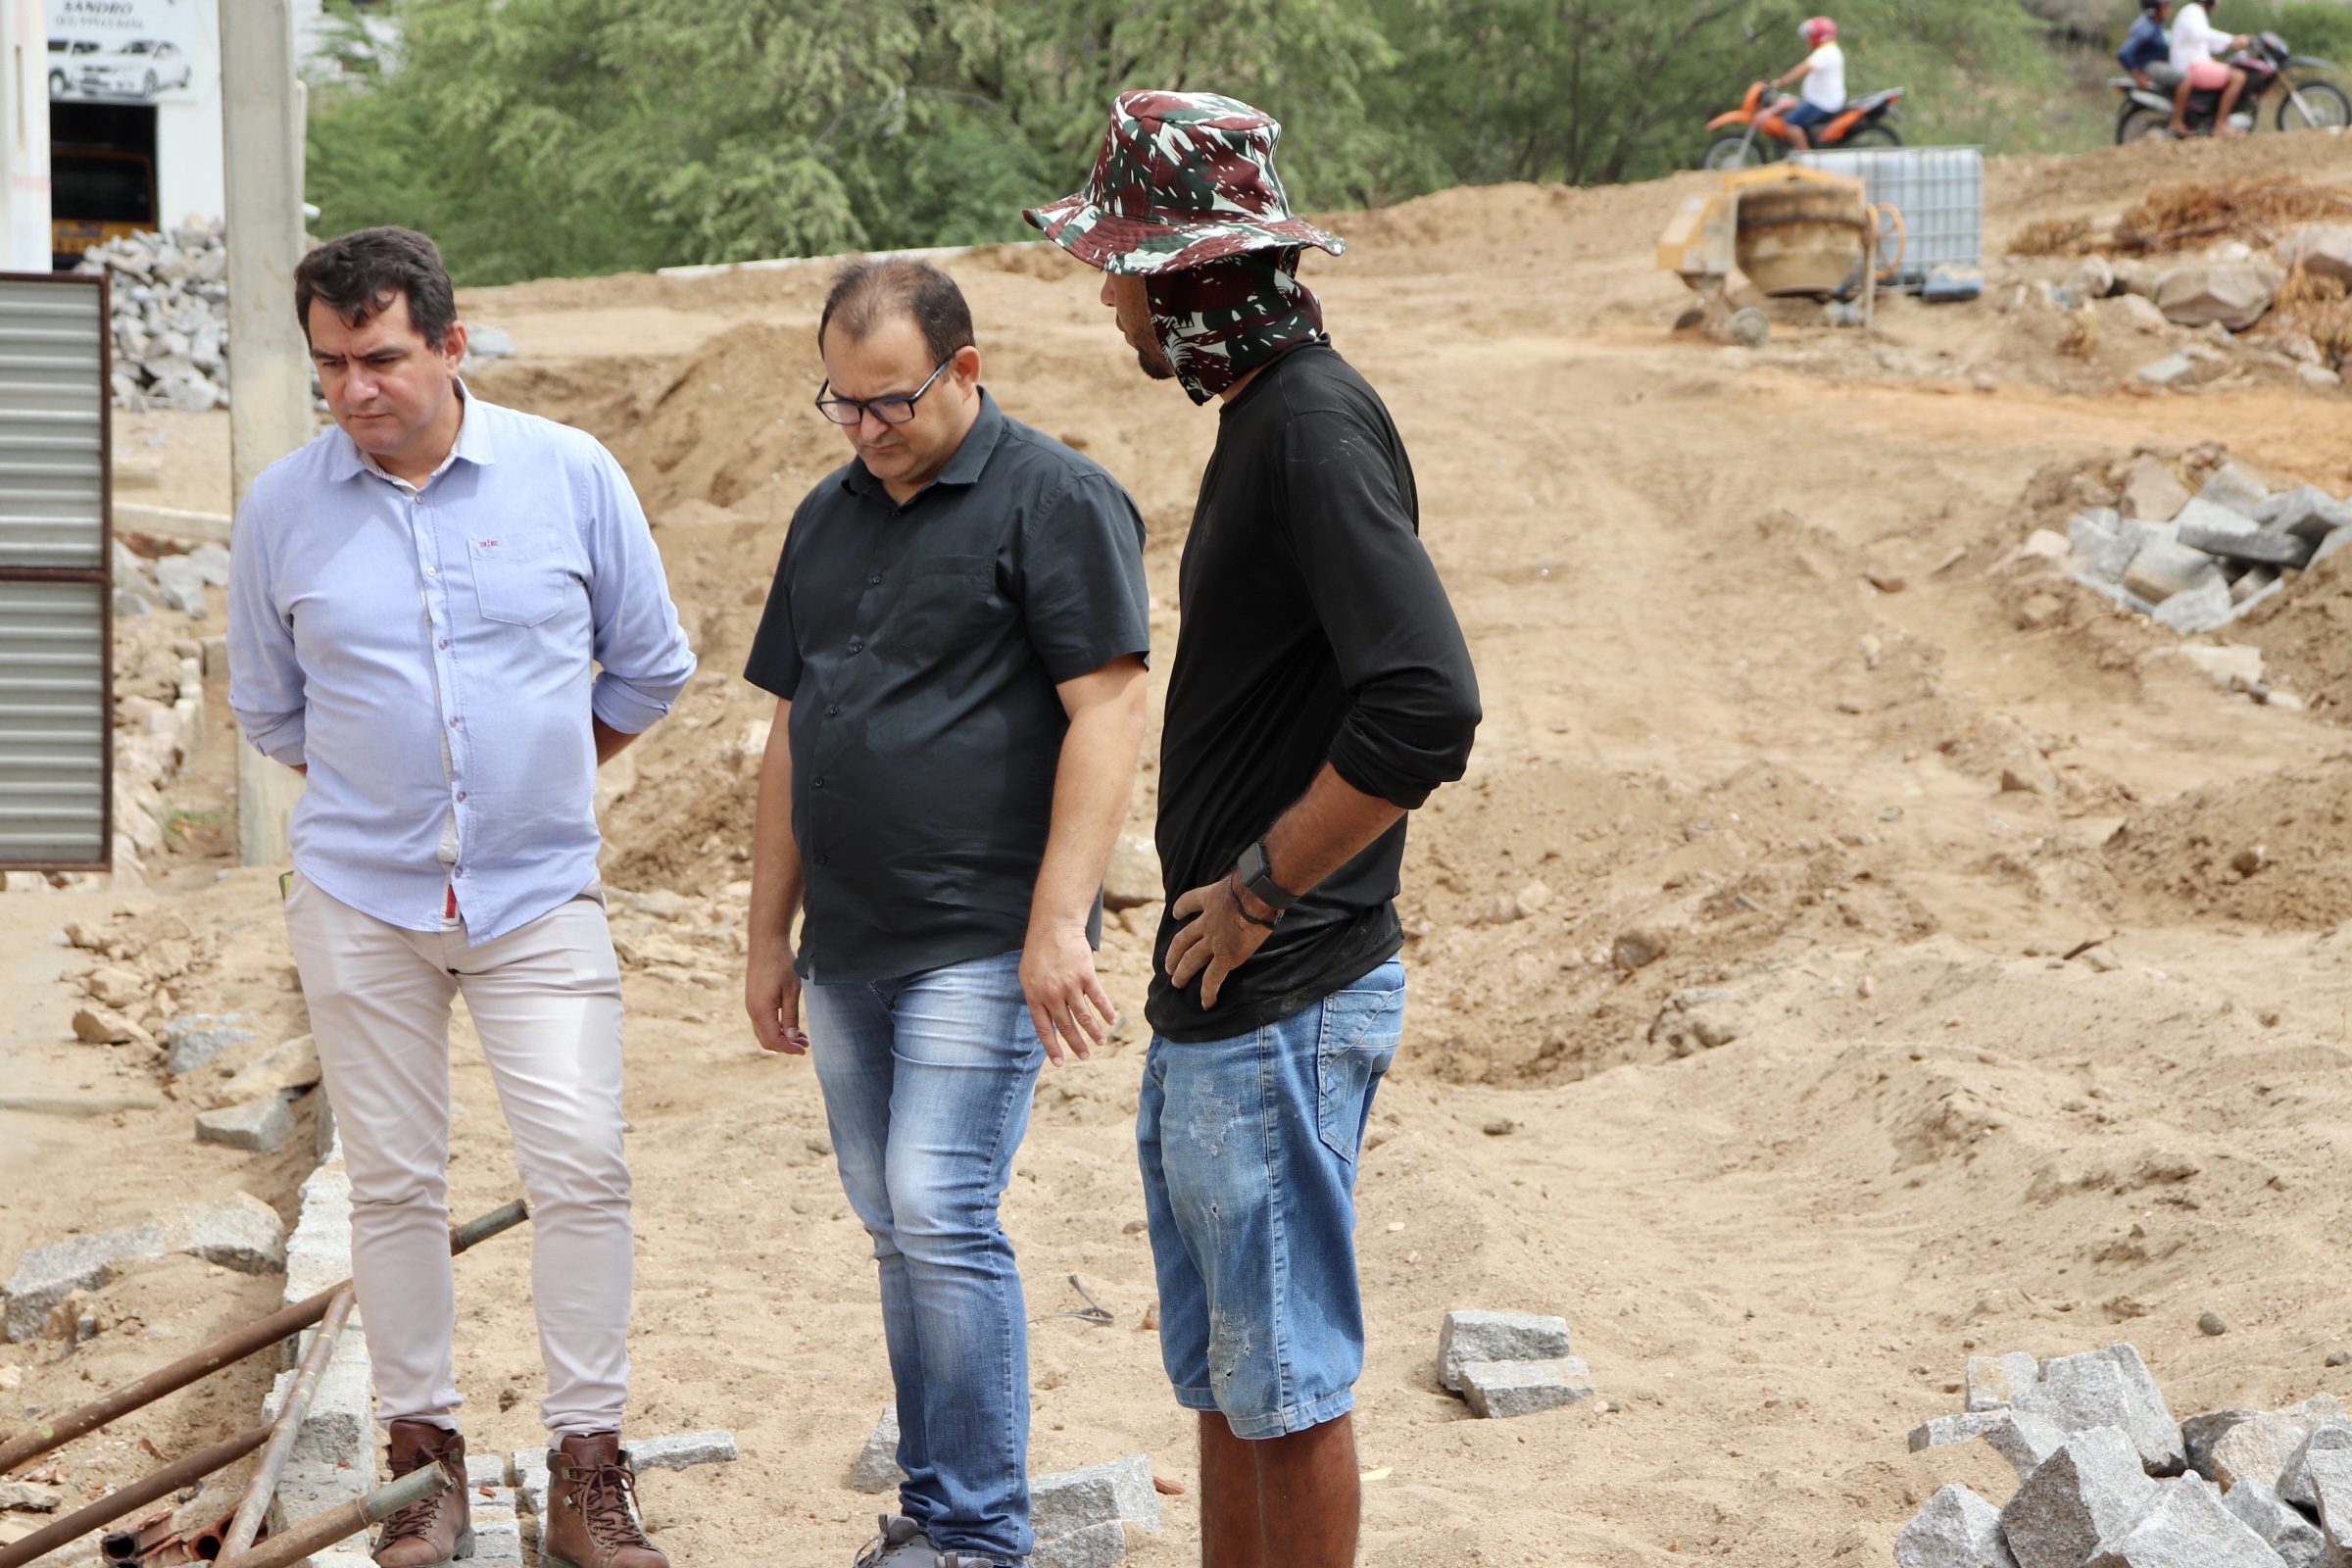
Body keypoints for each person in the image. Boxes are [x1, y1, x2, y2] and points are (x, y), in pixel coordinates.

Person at [1025, 92, 1481, 1568]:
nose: (1109, 302)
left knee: (1284, 1383)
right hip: (1229, 1005)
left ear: (1191, 278)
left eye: (1123, 270)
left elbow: (1427, 707)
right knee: (1231, 1381)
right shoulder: (1268, 420)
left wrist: (1264, 890)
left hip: (1283, 989)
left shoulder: (1310, 430)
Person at [227, 226, 693, 1568]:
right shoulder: (282, 509)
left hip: (538, 896)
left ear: (450, 343)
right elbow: (272, 708)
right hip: (361, 903)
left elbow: (649, 666)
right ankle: (424, 1467)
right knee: (392, 1185)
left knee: (583, 1167)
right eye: (331, 365)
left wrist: (529, 781)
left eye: (379, 357)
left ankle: (589, 1474)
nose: (355, 389)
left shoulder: (570, 474)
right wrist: (402, 800)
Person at [741, 259, 1151, 1568]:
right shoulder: (825, 516)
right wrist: (766, 935)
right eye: (841, 403)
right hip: (848, 944)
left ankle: (980, 1534)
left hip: (982, 935)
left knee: (938, 1204)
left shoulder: (1056, 499)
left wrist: (1060, 922)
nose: (864, 428)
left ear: (963, 370)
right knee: (890, 1221)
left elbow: (1109, 710)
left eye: (889, 403)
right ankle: (931, 1514)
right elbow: (794, 727)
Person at [2169, 0, 2251, 134]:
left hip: (2196, 62)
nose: (2218, 3)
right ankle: (2220, 125)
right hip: (2190, 65)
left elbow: (2207, 43)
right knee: (2238, 77)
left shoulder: (2196, 12)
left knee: (2229, 68)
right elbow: (2201, 34)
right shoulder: (2192, 12)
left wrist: (2232, 43)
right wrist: (2231, 39)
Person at [1772, 16, 1846, 151]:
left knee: (1790, 122)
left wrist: (1782, 82)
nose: (1808, 40)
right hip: (1823, 100)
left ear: (1819, 36)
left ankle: (1806, 157)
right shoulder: (1829, 50)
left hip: (1822, 103)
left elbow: (1802, 69)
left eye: (1810, 36)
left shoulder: (1826, 52)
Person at [2120, 0, 2183, 97]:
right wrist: (2138, 76)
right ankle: (2178, 108)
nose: (2169, 8)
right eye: (2166, 5)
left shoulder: (2154, 22)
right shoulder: (2146, 28)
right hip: (2148, 66)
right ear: (2155, 7)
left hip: (2154, 64)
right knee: (2186, 77)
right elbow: (2124, 53)